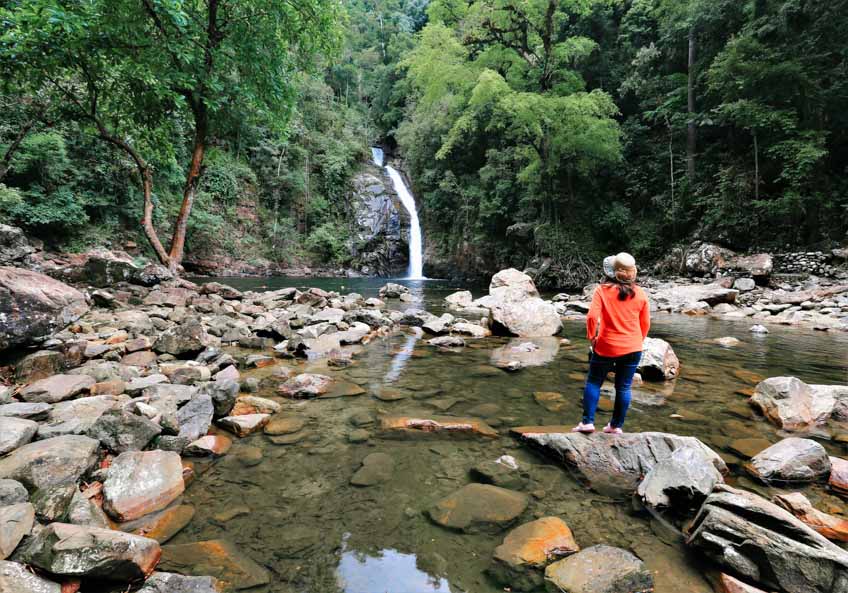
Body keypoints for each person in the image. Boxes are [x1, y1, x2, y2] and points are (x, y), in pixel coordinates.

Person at [573, 252, 650, 434]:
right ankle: (615, 426)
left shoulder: (602, 290)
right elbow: (645, 323)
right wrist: (638, 340)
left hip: (607, 345)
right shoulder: (640, 293)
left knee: (593, 382)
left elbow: (592, 317)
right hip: (633, 347)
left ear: (612, 272)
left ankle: (587, 423)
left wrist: (592, 336)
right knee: (623, 387)